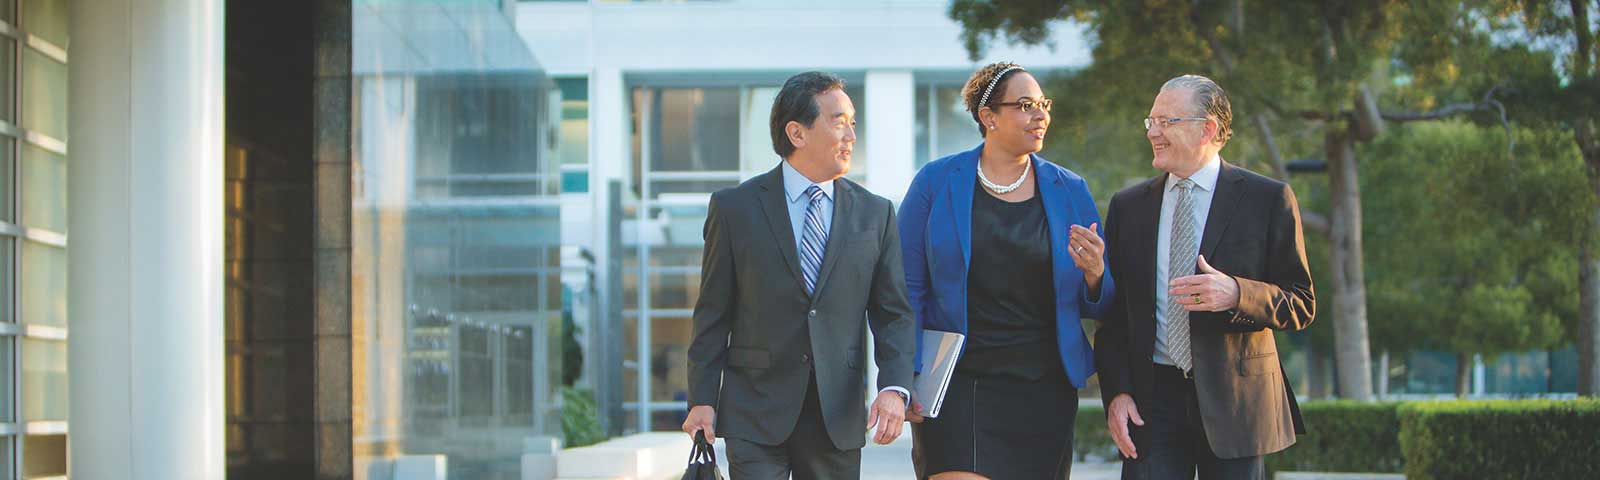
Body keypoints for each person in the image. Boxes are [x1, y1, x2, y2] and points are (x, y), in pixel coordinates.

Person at [682, 71, 917, 479]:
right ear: (797, 132)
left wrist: (894, 388)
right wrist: (702, 399)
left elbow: (893, 313)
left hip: (836, 417)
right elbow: (713, 314)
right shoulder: (734, 209)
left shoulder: (875, 214)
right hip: (754, 412)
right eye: (838, 121)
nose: (851, 135)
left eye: (853, 123)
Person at [898, 62, 1114, 480]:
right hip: (958, 384)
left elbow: (1103, 301)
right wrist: (903, 375)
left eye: (1043, 104)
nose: (1041, 115)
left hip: (1044, 387)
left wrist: (1095, 274)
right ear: (988, 117)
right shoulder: (936, 182)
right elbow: (907, 287)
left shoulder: (1070, 189)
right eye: (1026, 105)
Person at [1095, 74, 1316, 480]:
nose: (1154, 133)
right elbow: (1115, 314)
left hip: (1237, 403)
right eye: (1151, 121)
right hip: (1151, 404)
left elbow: (1301, 303)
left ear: (1208, 129)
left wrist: (1237, 293)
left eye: (1167, 122)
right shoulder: (1128, 206)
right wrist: (1118, 392)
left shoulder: (1267, 199)